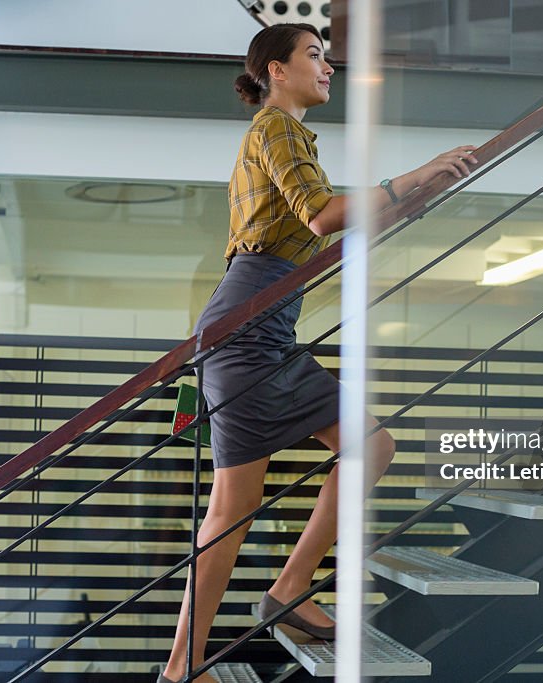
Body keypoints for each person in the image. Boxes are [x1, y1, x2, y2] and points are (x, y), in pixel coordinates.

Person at [159, 23, 479, 683]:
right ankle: (185, 665)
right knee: (235, 508)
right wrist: (413, 175)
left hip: (263, 328)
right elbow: (323, 215)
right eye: (314, 54)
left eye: (327, 57)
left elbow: (333, 226)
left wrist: (416, 193)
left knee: (361, 449)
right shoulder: (274, 128)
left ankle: (278, 598)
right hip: (247, 331)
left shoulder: (290, 137)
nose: (327, 66)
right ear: (275, 70)